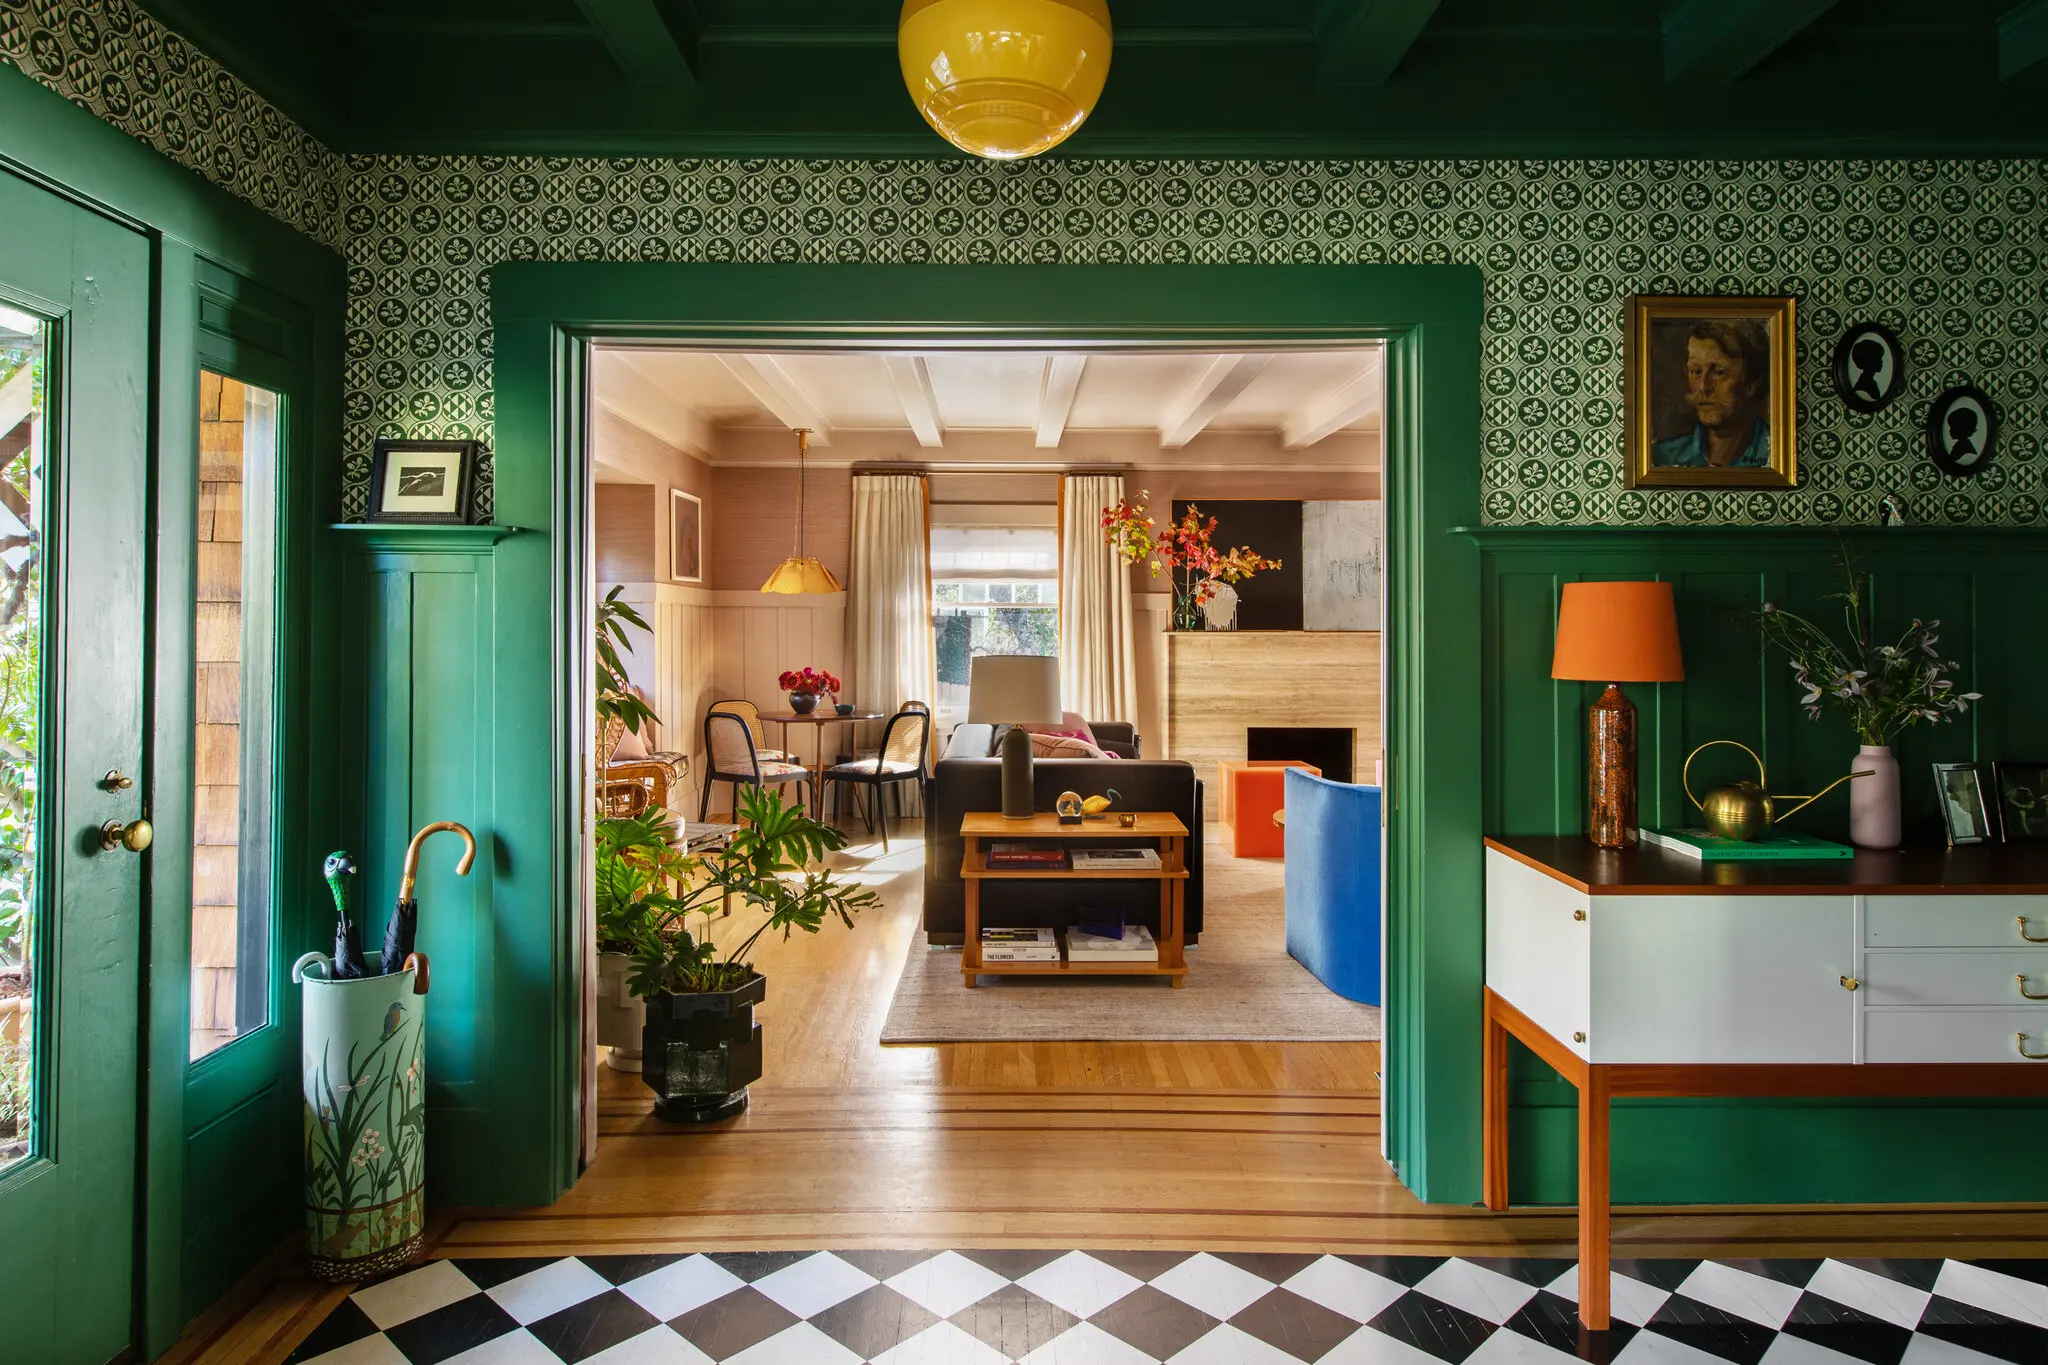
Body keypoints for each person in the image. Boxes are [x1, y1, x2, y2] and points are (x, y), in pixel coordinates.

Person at [1651, 319, 1772, 468]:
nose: (1703, 387)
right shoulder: (1664, 458)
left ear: (1752, 383)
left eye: (1719, 373)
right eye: (1696, 372)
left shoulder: (1775, 455)